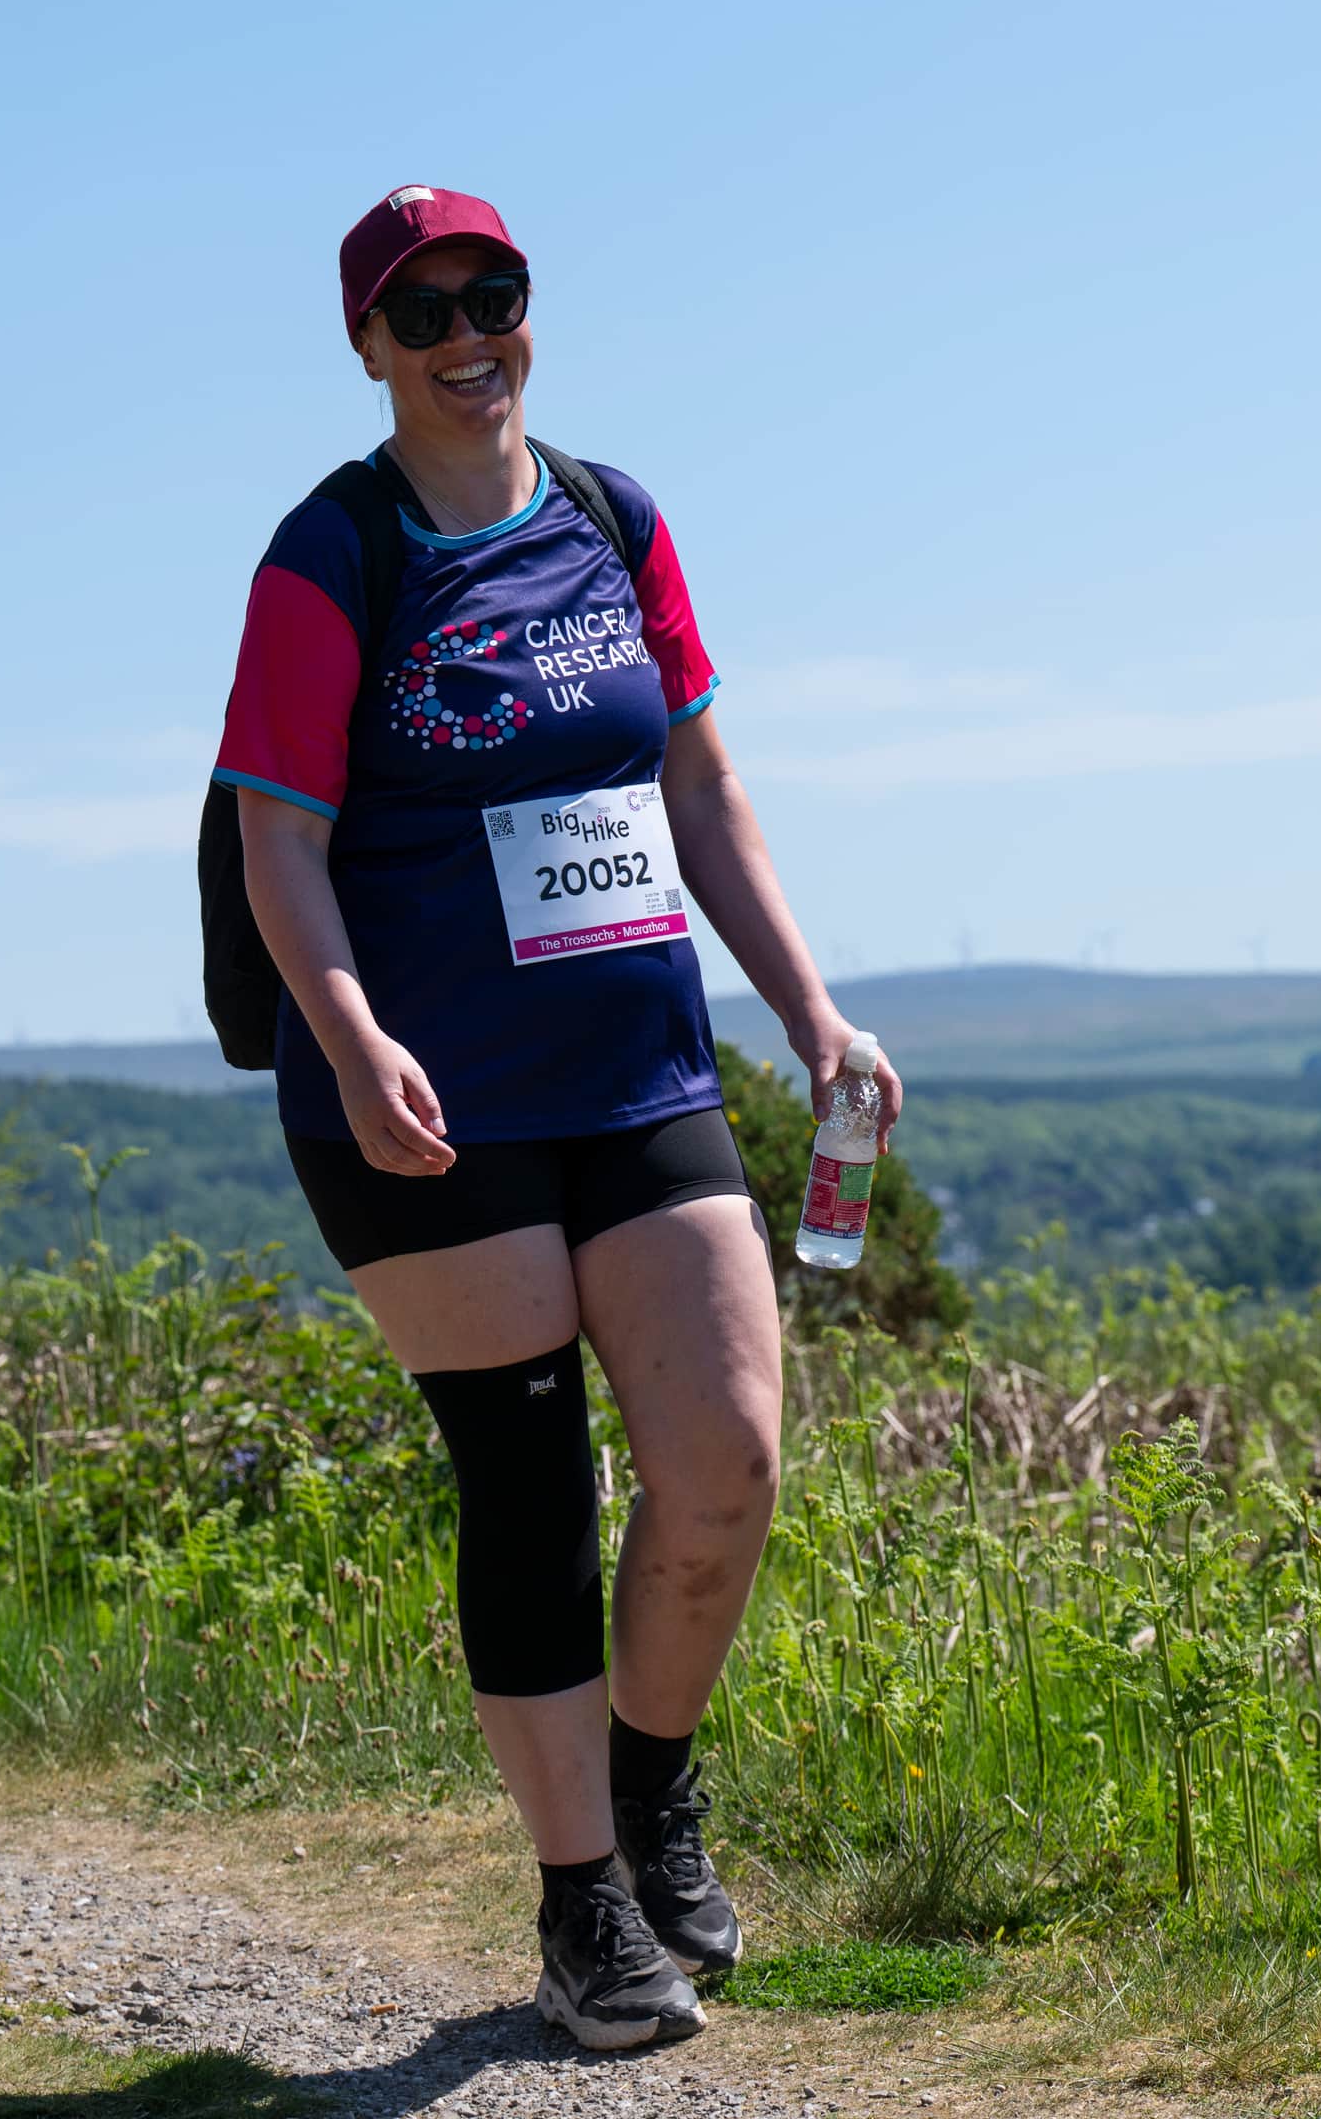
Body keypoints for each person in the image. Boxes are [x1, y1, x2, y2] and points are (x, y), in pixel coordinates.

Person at [214, 186, 899, 2051]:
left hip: (636, 1064)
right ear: (368, 344)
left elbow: (700, 779)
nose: (462, 332)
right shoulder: (328, 555)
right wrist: (350, 1040)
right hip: (426, 1099)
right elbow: (280, 836)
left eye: (490, 296)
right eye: (418, 308)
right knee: (532, 1491)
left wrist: (810, 1011)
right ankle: (580, 1901)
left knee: (730, 1456)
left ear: (529, 313)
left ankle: (655, 1800)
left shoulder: (616, 520)